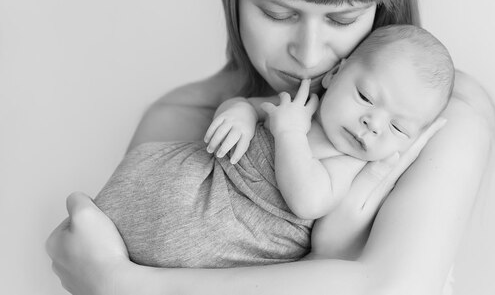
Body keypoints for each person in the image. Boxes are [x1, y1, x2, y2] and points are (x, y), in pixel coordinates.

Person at [46, 0, 495, 294]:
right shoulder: (176, 119)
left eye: (342, 19)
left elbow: (391, 288)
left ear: (380, 8)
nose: (309, 52)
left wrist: (122, 284)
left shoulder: (435, 116)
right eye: (278, 14)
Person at [93, 25, 454, 269]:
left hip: (234, 236)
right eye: (365, 97)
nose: (373, 124)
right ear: (335, 74)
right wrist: (238, 114)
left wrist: (290, 135)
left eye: (397, 127)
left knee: (179, 248)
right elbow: (248, 106)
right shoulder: (299, 103)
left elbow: (308, 200)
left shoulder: (348, 164)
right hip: (200, 180)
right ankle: (108, 226)